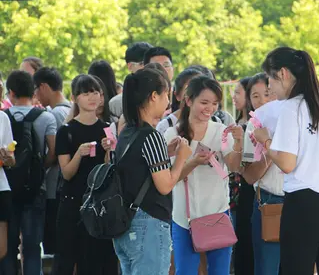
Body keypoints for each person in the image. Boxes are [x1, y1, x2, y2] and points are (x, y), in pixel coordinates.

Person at [253, 47, 319, 275]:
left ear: (284, 74)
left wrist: (266, 141)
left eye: (271, 79)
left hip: (305, 203)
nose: (270, 87)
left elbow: (287, 163)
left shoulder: (291, 107)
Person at [112, 67, 192, 275]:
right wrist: (182, 158)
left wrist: (167, 151)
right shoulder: (151, 135)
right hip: (149, 224)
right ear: (154, 96)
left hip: (127, 224)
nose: (168, 100)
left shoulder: (127, 131)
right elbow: (165, 185)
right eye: (166, 94)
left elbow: (137, 165)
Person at [164, 75, 243, 275]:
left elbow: (233, 166)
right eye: (204, 102)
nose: (210, 108)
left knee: (220, 271)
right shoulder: (172, 135)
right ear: (188, 101)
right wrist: (192, 162)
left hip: (218, 214)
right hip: (184, 218)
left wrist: (239, 143)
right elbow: (170, 179)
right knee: (185, 271)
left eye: (215, 103)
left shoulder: (221, 131)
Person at [52, 74, 118, 275]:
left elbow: (108, 171)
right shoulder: (66, 131)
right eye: (86, 93)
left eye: (96, 92)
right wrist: (79, 154)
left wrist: (108, 151)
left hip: (99, 204)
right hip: (72, 202)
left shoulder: (107, 129)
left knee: (97, 260)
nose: (92, 97)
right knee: (66, 258)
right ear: (74, 98)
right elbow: (67, 173)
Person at [1, 70, 57, 275]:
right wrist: (39, 169)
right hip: (35, 189)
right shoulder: (46, 118)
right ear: (33, 91)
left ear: (11, 92)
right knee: (33, 248)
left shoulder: (3, 118)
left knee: (7, 248)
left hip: (6, 187)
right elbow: (53, 151)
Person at [241, 73, 283, 275]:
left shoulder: (295, 118)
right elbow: (249, 176)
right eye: (255, 96)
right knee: (267, 268)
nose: (262, 101)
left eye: (266, 93)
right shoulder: (254, 125)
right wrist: (270, 149)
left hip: (301, 201)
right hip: (269, 203)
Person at [33, 67, 72, 255]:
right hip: (65, 186)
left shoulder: (55, 114)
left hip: (55, 187)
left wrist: (42, 166)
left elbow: (55, 152)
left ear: (44, 87)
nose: (36, 95)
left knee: (53, 246)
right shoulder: (69, 110)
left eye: (36, 90)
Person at [232, 76, 255, 275]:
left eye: (238, 92)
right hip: (236, 192)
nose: (233, 96)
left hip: (247, 189)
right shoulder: (237, 122)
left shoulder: (252, 126)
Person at [156, 68, 202, 135]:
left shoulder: (216, 121)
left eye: (201, 89)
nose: (197, 95)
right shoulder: (165, 126)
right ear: (177, 96)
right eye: (190, 90)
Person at [0, 112, 16, 261]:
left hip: (1, 187)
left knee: (1, 248)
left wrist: (8, 158)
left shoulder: (2, 118)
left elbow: (11, 159)